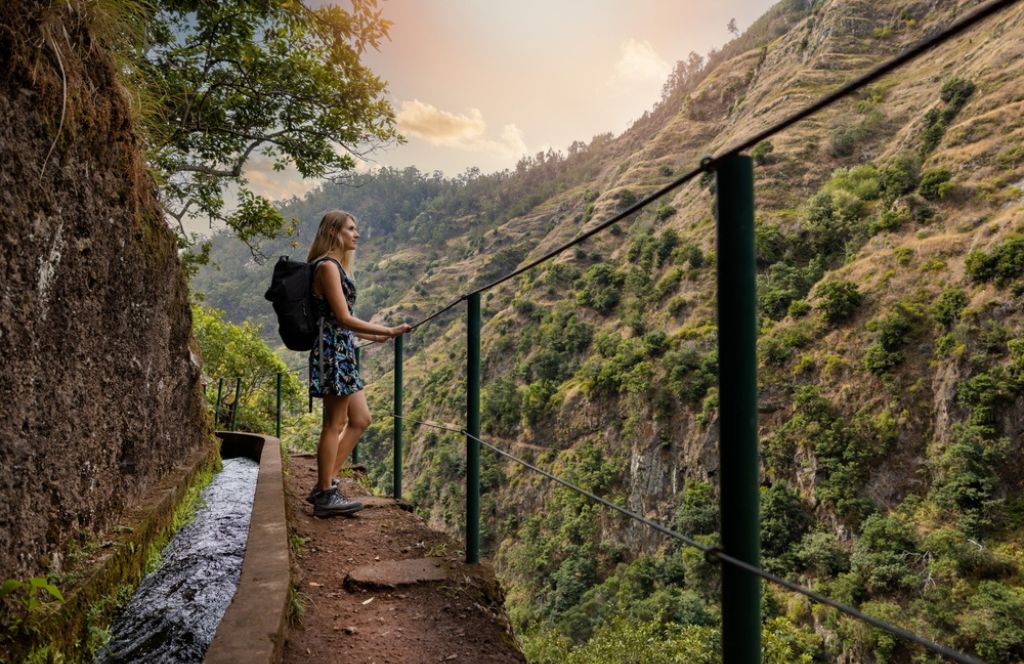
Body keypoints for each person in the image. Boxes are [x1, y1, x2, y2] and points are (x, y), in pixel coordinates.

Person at [305, 210, 412, 517]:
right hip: (332, 352)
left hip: (342, 350)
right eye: (351, 229)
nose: (357, 234)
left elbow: (342, 322)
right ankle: (326, 494)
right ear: (333, 232)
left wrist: (371, 336)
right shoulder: (326, 266)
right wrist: (388, 330)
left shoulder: (336, 267)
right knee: (334, 424)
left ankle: (324, 485)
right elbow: (342, 318)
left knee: (361, 419)